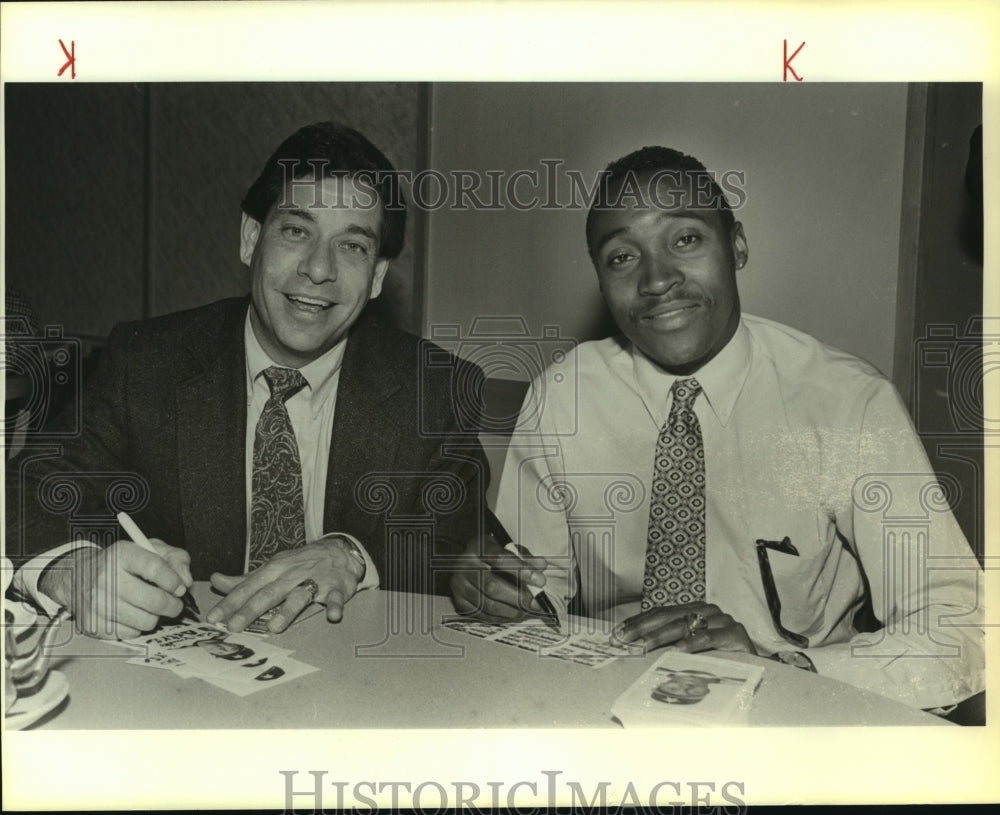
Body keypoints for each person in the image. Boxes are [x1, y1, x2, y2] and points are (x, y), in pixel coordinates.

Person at [451, 145, 985, 713]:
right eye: (622, 257)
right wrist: (501, 593)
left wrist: (777, 663)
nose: (657, 279)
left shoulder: (846, 403)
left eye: (685, 240)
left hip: (792, 706)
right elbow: (539, 591)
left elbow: (964, 626)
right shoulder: (563, 398)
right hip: (602, 697)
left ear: (737, 246)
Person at [7, 122, 486, 640]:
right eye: (297, 231)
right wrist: (75, 574)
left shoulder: (433, 390)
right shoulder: (145, 363)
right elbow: (25, 494)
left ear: (375, 276)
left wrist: (351, 555)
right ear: (251, 237)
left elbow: (460, 541)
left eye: (352, 246)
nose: (319, 270)